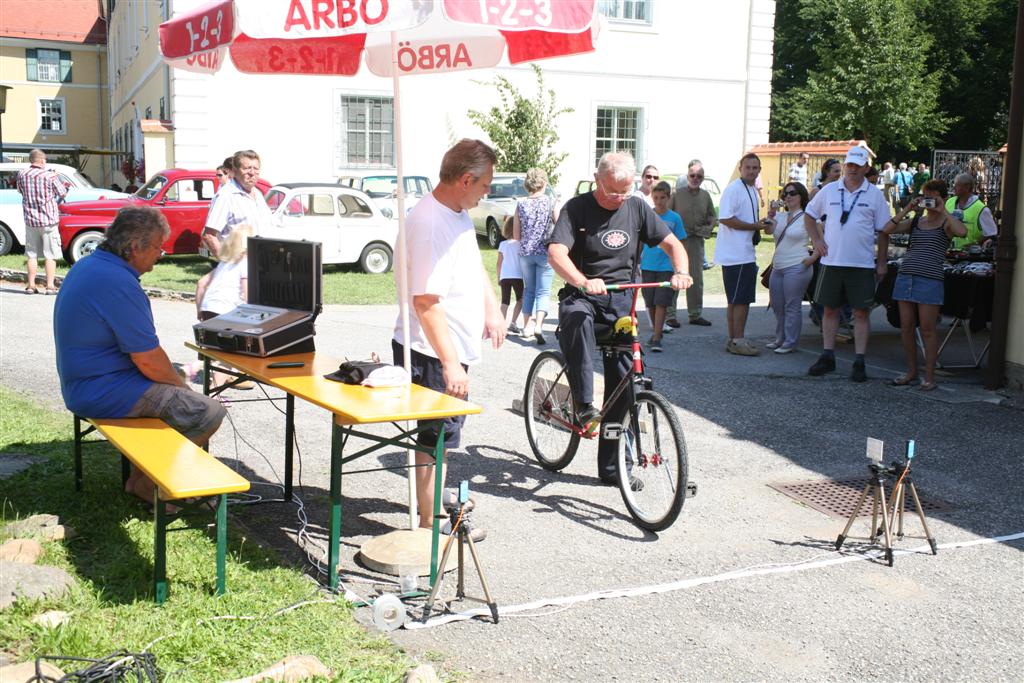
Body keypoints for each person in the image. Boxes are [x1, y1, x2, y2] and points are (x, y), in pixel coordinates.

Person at [54, 206, 226, 504]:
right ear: (135, 247)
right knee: (207, 410)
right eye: (159, 246)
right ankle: (148, 485)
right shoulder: (119, 283)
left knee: (176, 383)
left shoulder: (91, 264)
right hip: (101, 389)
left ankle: (139, 479)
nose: (161, 254)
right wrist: (180, 387)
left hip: (84, 382)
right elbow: (147, 359)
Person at [547, 151, 691, 486]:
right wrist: (582, 280)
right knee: (579, 321)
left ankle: (614, 470)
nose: (619, 199)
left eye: (625, 191)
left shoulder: (637, 207)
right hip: (582, 297)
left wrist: (681, 270)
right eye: (613, 192)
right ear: (597, 180)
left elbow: (672, 243)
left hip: (620, 305)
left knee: (624, 387)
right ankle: (583, 403)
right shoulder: (576, 208)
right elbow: (556, 253)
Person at [392, 139, 506, 541]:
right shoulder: (428, 224)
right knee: (432, 437)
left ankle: (434, 503)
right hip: (428, 350)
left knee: (442, 436)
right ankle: (429, 524)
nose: (487, 192)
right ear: (465, 179)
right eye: (486, 185)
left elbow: (472, 265)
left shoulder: (457, 212)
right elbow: (424, 303)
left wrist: (491, 307)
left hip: (449, 346)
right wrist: (450, 362)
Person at [804, 146, 891, 382]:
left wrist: (881, 262)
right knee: (829, 309)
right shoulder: (830, 190)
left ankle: (860, 360)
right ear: (845, 165)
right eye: (849, 164)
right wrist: (817, 240)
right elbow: (809, 215)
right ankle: (827, 356)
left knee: (861, 313)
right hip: (832, 261)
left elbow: (884, 231)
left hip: (862, 264)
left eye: (857, 165)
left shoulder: (874, 195)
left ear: (866, 167)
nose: (852, 169)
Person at [877, 180, 966, 391]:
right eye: (926, 195)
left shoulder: (946, 222)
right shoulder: (917, 221)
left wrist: (943, 210)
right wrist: (907, 209)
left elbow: (961, 232)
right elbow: (887, 230)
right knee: (906, 328)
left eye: (933, 196)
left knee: (928, 329)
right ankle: (911, 372)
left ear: (942, 197)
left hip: (930, 279)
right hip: (906, 276)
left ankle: (929, 376)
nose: (929, 200)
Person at [717, 153, 766, 356]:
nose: (752, 171)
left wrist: (761, 223)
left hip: (743, 252)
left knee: (737, 300)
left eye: (755, 168)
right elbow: (726, 218)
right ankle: (738, 339)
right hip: (736, 254)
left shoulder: (752, 190)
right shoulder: (734, 189)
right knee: (740, 300)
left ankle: (734, 339)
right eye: (748, 167)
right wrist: (754, 226)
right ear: (740, 168)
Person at [194, 224, 254, 391]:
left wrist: (200, 310)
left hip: (208, 308)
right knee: (229, 353)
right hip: (226, 311)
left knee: (214, 351)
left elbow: (201, 283)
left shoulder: (225, 263)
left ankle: (192, 370)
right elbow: (246, 291)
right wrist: (251, 313)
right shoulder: (246, 262)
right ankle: (215, 391)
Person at [763, 182, 816, 354]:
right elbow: (768, 232)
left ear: (801, 196)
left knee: (792, 306)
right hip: (778, 266)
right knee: (778, 305)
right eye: (785, 194)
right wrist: (770, 215)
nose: (788, 197)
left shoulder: (807, 216)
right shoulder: (780, 216)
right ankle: (780, 338)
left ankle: (790, 342)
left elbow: (822, 242)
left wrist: (810, 260)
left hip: (797, 266)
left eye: (792, 193)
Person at [641, 181, 687, 352]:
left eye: (662, 198)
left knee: (661, 302)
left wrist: (679, 267)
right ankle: (656, 331)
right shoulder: (647, 215)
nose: (659, 201)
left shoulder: (674, 218)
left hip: (666, 266)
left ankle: (657, 336)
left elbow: (680, 243)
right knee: (650, 302)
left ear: (668, 198)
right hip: (648, 265)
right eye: (656, 198)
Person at [670, 159, 716, 327]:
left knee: (696, 277)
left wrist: (709, 227)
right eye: (693, 175)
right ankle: (670, 315)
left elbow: (712, 216)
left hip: (697, 241)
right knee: (675, 275)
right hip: (678, 242)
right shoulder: (676, 194)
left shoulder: (706, 196)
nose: (696, 178)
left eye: (699, 176)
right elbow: (667, 215)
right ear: (687, 175)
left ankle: (695, 314)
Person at [513, 167, 556, 344]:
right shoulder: (551, 202)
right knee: (543, 291)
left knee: (529, 289)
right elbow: (560, 225)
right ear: (543, 183)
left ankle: (526, 326)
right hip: (545, 252)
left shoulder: (521, 204)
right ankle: (539, 325)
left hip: (525, 253)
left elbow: (516, 235)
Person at [16, 149, 68, 295]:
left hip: (30, 220)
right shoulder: (50, 176)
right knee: (50, 254)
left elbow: (20, 191)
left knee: (31, 254)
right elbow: (62, 193)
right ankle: (50, 286)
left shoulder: (22, 174)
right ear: (42, 160)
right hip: (48, 220)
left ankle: (31, 286)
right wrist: (56, 177)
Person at [203, 149, 272, 259]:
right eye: (246, 168)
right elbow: (209, 235)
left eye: (256, 168)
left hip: (263, 263)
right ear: (234, 171)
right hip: (239, 265)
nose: (252, 173)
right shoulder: (226, 195)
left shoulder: (257, 194)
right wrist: (227, 264)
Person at [947, 172, 998, 249]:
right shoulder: (949, 202)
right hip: (947, 253)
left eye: (957, 185)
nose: (954, 187)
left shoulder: (981, 209)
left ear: (967, 187)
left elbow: (992, 234)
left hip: (968, 257)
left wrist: (975, 244)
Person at [496, 217, 524, 334]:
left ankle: (501, 326)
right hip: (518, 276)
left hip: (505, 276)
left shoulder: (503, 244)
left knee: (504, 302)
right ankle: (513, 322)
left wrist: (499, 277)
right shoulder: (521, 244)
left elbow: (499, 263)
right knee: (520, 299)